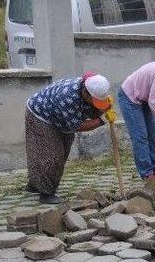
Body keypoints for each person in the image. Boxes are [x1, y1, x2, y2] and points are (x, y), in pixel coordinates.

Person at [25, 73, 116, 205]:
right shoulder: (67, 97)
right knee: (51, 156)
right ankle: (46, 194)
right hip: (41, 115)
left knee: (63, 152)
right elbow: (77, 126)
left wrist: (107, 107)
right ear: (85, 93)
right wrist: (101, 120)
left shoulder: (95, 88)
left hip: (60, 118)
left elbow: (99, 106)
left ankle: (36, 184)